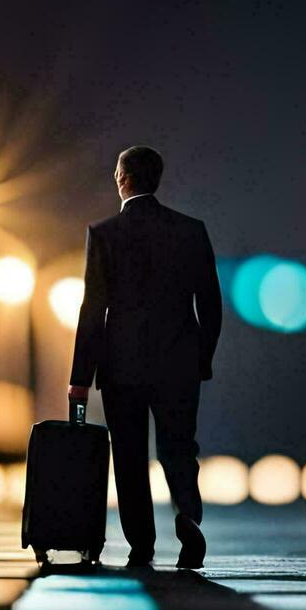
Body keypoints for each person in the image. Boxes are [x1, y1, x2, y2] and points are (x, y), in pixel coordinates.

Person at [68, 146, 223, 568]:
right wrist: (201, 359)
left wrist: (80, 377)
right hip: (179, 364)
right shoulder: (192, 230)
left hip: (121, 368)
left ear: (122, 178)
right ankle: (188, 516)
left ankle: (142, 544)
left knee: (130, 455)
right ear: (157, 179)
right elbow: (210, 304)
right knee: (178, 449)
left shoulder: (104, 234)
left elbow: (92, 310)